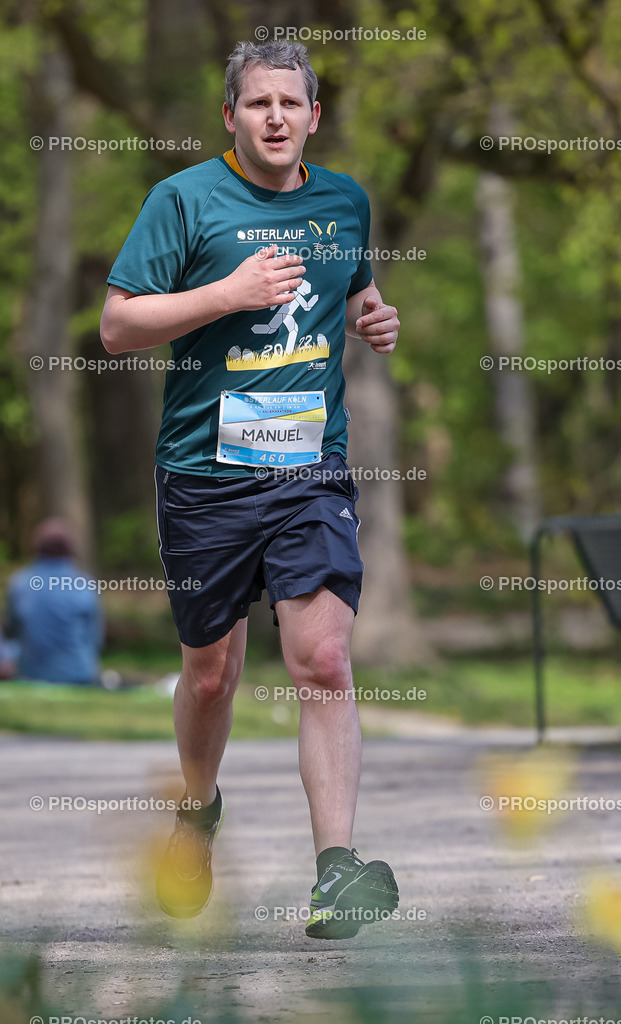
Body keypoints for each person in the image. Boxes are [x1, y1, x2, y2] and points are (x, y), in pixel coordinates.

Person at [100, 40, 400, 940]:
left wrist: (371, 317)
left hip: (309, 469)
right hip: (204, 476)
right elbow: (117, 326)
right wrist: (226, 293)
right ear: (230, 115)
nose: (275, 117)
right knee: (210, 674)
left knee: (324, 660)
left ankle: (335, 872)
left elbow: (353, 292)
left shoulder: (343, 202)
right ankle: (196, 813)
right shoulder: (183, 200)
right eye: (258, 103)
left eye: (290, 103)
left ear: (314, 116)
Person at [5, 519, 103, 685]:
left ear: (37, 548)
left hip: (31, 674)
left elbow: (11, 631)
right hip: (79, 674)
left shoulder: (20, 583)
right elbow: (96, 639)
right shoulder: (85, 584)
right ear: (70, 549)